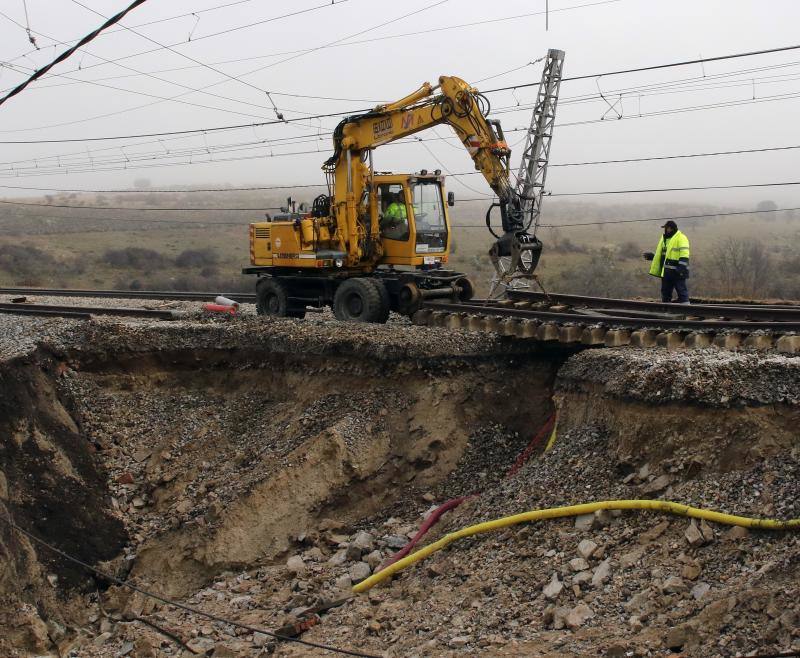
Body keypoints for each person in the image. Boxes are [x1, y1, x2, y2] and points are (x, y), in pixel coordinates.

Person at [643, 220, 691, 304]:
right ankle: (666, 309)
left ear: (672, 228)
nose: (666, 230)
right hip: (666, 272)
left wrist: (681, 269)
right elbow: (665, 255)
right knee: (665, 294)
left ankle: (687, 309)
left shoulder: (681, 238)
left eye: (667, 228)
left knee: (682, 292)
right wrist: (653, 257)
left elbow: (684, 254)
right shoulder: (664, 239)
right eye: (665, 228)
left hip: (677, 271)